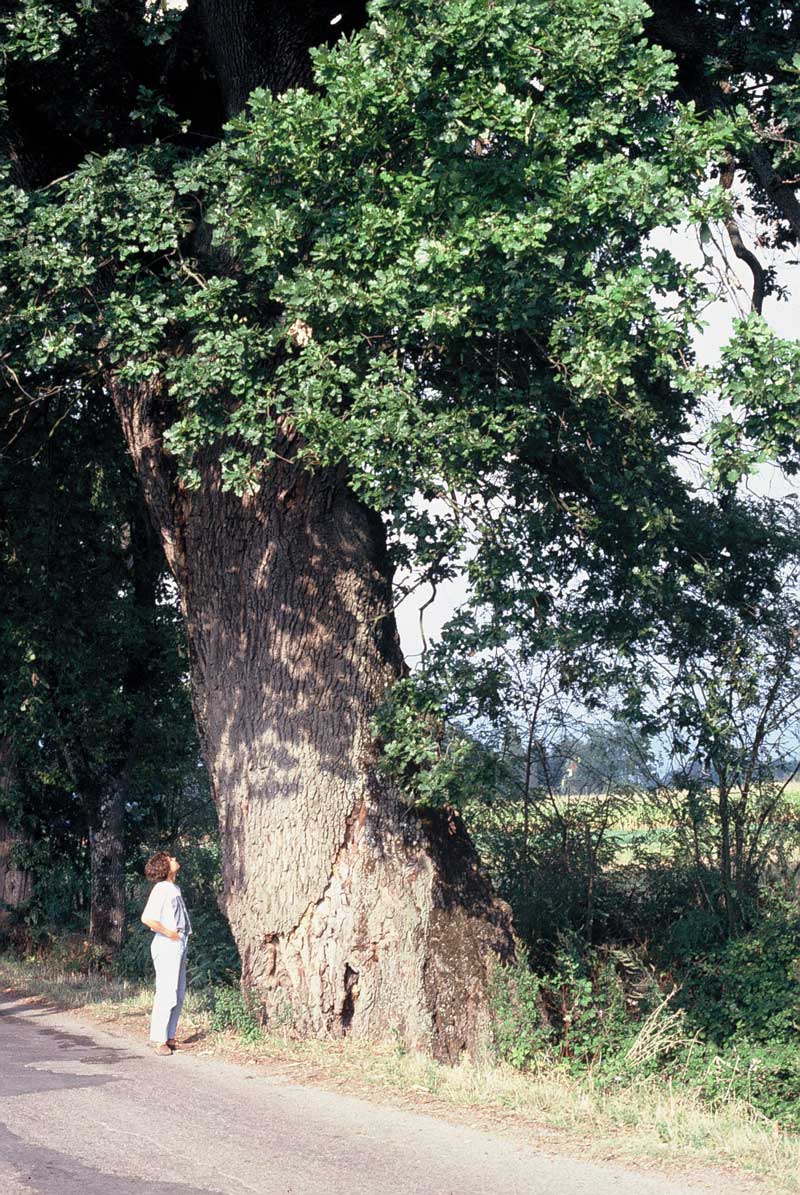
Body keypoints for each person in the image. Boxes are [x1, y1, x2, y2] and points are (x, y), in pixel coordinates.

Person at [140, 850, 192, 1056]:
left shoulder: (173, 888)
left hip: (178, 944)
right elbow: (148, 918)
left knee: (178, 992)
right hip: (167, 944)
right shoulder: (161, 889)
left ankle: (170, 1037)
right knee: (166, 991)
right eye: (170, 859)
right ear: (164, 867)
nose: (175, 859)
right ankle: (159, 1039)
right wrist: (170, 933)